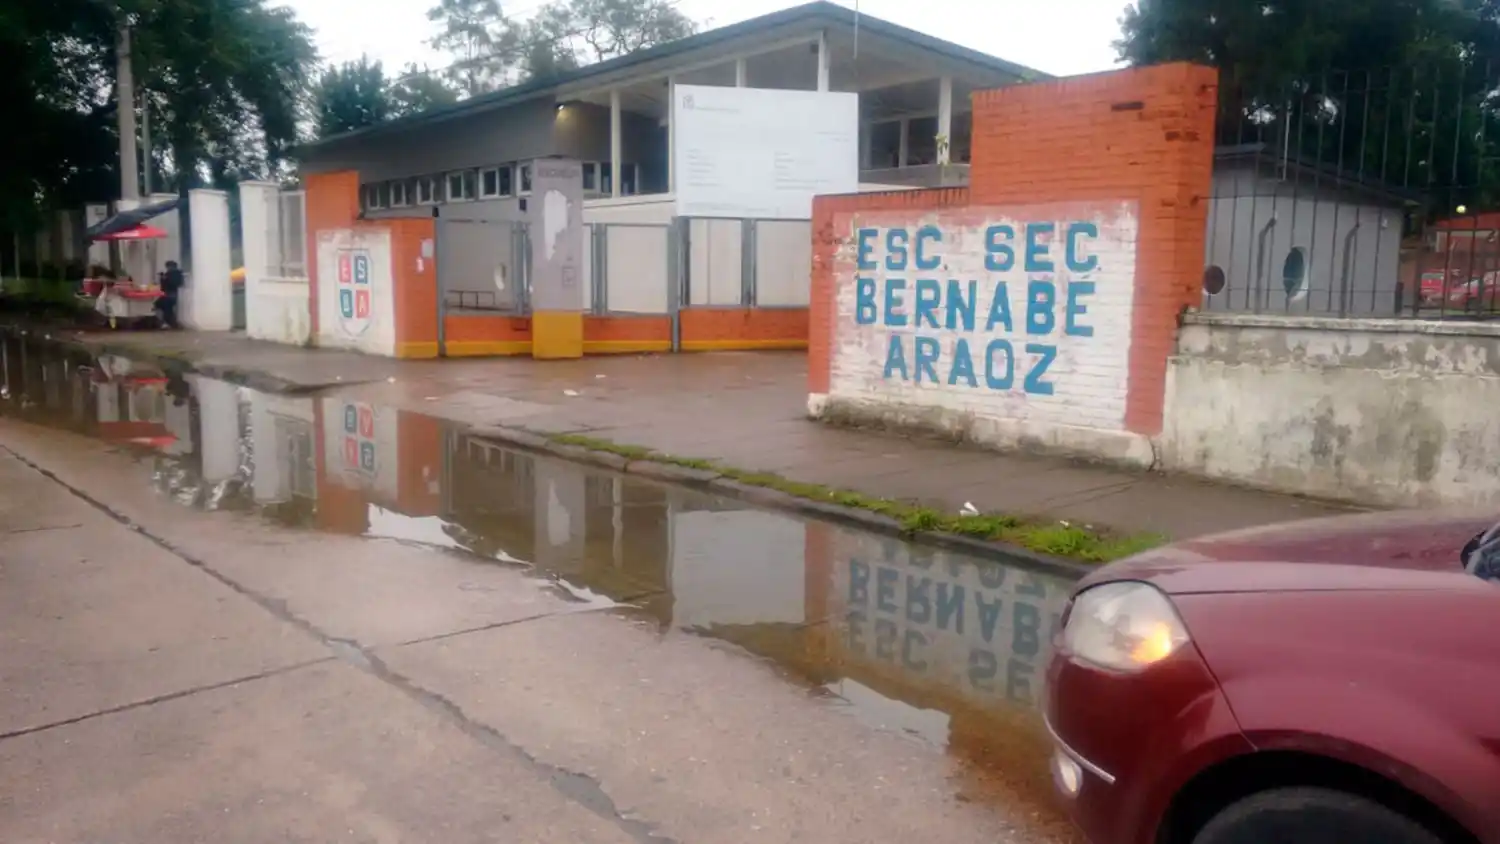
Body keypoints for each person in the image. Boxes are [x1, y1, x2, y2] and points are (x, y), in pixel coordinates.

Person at [158, 260, 185, 329]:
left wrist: (163, 278)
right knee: (167, 307)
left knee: (163, 305)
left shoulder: (169, 274)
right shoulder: (179, 274)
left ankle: (166, 322)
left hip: (170, 294)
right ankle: (171, 322)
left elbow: (164, 286)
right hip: (176, 295)